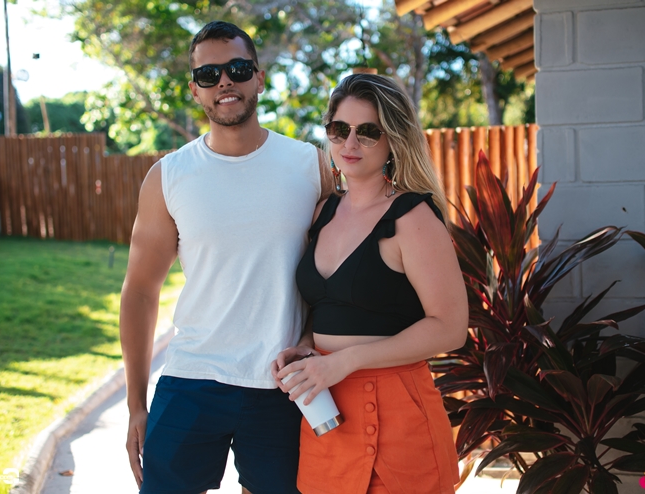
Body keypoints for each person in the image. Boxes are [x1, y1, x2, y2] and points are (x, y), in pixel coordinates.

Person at [120, 20, 333, 494]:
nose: (224, 82)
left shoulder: (311, 165)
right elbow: (140, 292)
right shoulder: (168, 177)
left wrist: (311, 342)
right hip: (193, 377)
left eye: (237, 69)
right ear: (194, 90)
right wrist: (136, 404)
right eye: (208, 74)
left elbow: (337, 277)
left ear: (259, 78)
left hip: (281, 383)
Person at [271, 73, 469, 494]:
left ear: (393, 139)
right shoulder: (322, 212)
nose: (350, 143)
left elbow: (451, 328)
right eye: (339, 129)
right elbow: (328, 308)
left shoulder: (412, 217)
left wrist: (345, 361)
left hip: (400, 420)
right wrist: (306, 345)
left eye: (367, 132)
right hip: (325, 415)